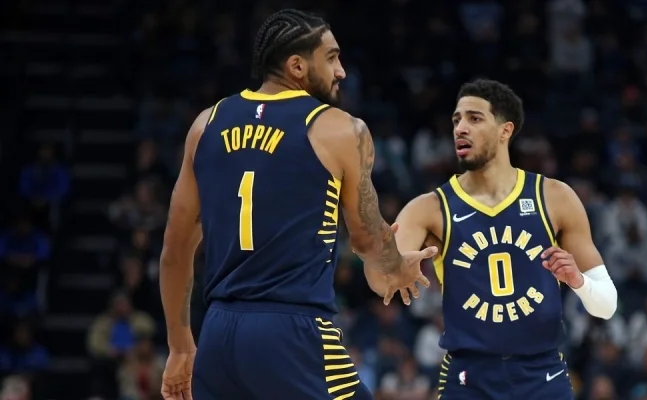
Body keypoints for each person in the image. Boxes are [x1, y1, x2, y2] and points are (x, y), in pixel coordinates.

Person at [157, 9, 435, 400]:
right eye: (332, 58)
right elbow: (368, 240)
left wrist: (180, 345)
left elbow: (175, 250)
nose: (341, 71)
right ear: (297, 66)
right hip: (293, 331)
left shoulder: (206, 124)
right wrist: (395, 267)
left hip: (219, 334)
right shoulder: (341, 128)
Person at [366, 79, 619, 399]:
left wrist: (578, 281)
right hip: (469, 378)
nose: (460, 128)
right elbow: (380, 282)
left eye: (474, 118)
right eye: (456, 120)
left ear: (505, 130)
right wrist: (388, 264)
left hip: (542, 374)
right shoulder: (429, 208)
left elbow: (607, 305)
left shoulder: (554, 197)